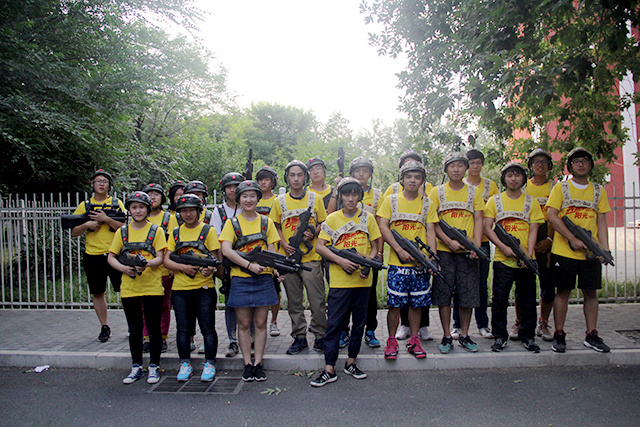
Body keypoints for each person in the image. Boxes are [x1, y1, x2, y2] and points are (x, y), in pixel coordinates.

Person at [311, 177, 382, 386]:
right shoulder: (332, 218)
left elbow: (376, 245)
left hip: (362, 282)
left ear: (360, 196)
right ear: (340, 197)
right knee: (334, 324)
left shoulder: (368, 218)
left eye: (354, 194)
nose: (350, 198)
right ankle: (329, 368)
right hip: (339, 282)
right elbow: (320, 246)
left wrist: (368, 262)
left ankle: (351, 362)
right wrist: (341, 261)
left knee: (359, 324)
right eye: (346, 194)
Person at [546, 147, 612, 353]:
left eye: (584, 160)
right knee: (562, 292)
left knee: (591, 293)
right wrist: (572, 239)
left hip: (590, 252)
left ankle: (591, 334)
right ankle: (559, 334)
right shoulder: (561, 188)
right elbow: (552, 216)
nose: (581, 164)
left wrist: (604, 250)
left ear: (590, 165)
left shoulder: (599, 191)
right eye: (576, 161)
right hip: (564, 251)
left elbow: (601, 222)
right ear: (570, 166)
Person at [220, 180, 281, 382]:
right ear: (238, 199)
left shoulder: (266, 222)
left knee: (261, 323)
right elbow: (226, 250)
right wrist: (248, 265)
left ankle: (258, 363)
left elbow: (272, 251)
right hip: (240, 279)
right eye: (244, 196)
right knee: (244, 324)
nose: (248, 200)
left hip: (263, 278)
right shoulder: (232, 223)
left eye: (252, 196)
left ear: (258, 198)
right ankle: (247, 363)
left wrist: (277, 269)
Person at [378, 161, 438, 360]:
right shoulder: (391, 201)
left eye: (417, 177)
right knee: (395, 305)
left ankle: (414, 339)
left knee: (417, 304)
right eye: (409, 176)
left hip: (420, 264)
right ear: (402, 179)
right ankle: (391, 341)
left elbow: (431, 232)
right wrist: (398, 250)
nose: (413, 180)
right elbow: (383, 226)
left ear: (422, 180)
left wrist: (432, 258)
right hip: (397, 264)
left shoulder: (427, 204)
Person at [483, 163, 544, 353]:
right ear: (504, 179)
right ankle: (500, 336)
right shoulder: (495, 201)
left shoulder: (531, 202)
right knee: (499, 300)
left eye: (517, 175)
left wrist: (528, 255)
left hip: (525, 261)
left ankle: (528, 336)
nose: (514, 179)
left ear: (523, 178)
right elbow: (487, 228)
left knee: (528, 300)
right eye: (510, 175)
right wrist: (503, 247)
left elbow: (533, 230)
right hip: (503, 260)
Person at [107, 192, 167, 384]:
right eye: (134, 207)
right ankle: (136, 366)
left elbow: (160, 258)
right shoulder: (122, 232)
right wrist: (124, 268)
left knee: (153, 328)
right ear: (129, 210)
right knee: (134, 329)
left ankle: (154, 366)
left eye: (141, 207)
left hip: (152, 287)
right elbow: (111, 257)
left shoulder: (156, 231)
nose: (138, 211)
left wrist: (146, 264)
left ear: (148, 209)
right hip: (129, 288)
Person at [269, 160, 328, 355]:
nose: (296, 179)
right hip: (288, 258)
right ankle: (299, 337)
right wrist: (283, 243)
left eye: (299, 175)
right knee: (294, 302)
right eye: (292, 175)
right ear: (287, 178)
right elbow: (275, 226)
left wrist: (313, 232)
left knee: (317, 301)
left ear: (305, 177)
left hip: (311, 258)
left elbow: (323, 222)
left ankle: (320, 336)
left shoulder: (314, 198)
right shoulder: (279, 201)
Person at [429, 153, 485, 353]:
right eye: (452, 166)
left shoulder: (474, 193)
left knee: (467, 293)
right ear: (446, 169)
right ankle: (446, 335)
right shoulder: (436, 192)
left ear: (465, 169)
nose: (456, 169)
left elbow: (478, 220)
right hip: (444, 251)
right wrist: (448, 241)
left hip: (468, 253)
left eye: (460, 165)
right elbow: (432, 222)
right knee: (444, 294)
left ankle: (464, 334)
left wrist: (476, 247)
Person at [164, 194, 222, 381]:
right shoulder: (175, 232)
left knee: (208, 328)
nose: (188, 214)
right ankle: (184, 364)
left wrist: (210, 270)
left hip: (204, 288)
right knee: (183, 329)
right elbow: (166, 260)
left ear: (199, 211)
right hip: (180, 289)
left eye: (191, 210)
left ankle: (210, 363)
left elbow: (215, 259)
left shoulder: (208, 230)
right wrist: (183, 268)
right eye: (184, 211)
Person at [332, 157, 384, 349]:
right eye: (357, 170)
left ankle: (370, 331)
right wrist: (336, 189)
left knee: (369, 297)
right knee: (345, 297)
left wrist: (378, 253)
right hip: (345, 253)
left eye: (365, 170)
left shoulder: (377, 195)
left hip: (369, 253)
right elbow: (330, 215)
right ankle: (343, 331)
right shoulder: (343, 192)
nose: (361, 174)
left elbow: (380, 225)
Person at [70, 169, 126, 342]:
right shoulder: (85, 205)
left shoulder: (116, 203)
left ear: (109, 185)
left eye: (105, 181)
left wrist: (106, 219)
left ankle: (132, 326)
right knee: (98, 292)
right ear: (92, 184)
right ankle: (104, 326)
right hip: (93, 254)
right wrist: (87, 225)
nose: (101, 184)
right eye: (98, 181)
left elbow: (125, 227)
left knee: (125, 291)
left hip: (115, 254)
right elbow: (73, 232)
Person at [450, 149, 498, 340]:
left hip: (481, 243)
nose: (475, 166)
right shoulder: (459, 185)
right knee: (459, 285)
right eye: (472, 163)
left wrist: (477, 245)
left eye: (478, 163)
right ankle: (457, 324)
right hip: (461, 243)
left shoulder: (490, 186)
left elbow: (492, 213)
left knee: (481, 285)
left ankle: (482, 323)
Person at [513, 148, 556, 341]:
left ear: (549, 166)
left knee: (548, 286)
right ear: (530, 166)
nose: (540, 165)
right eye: (536, 162)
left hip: (549, 241)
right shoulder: (523, 188)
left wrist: (549, 240)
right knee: (522, 285)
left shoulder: (555, 188)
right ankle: (519, 321)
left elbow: (560, 216)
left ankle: (543, 323)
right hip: (526, 240)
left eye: (544, 162)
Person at [211, 172, 245, 358]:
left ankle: (251, 337)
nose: (233, 190)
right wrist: (220, 266)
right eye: (229, 187)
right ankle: (232, 340)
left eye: (236, 186)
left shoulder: (248, 206)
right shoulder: (219, 211)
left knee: (250, 303)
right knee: (230, 304)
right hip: (228, 263)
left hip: (248, 261)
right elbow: (216, 240)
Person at [140, 183, 172, 353]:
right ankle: (147, 337)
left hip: (164, 270)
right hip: (143, 271)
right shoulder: (138, 218)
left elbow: (174, 243)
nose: (152, 197)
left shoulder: (169, 218)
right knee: (144, 306)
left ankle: (162, 336)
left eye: (156, 194)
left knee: (164, 306)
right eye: (149, 194)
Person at [256, 166, 283, 337]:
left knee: (275, 288)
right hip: (255, 249)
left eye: (266, 179)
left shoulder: (277, 201)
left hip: (273, 247)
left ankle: (274, 321)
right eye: (260, 179)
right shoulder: (253, 200)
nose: (263, 182)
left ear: (273, 181)